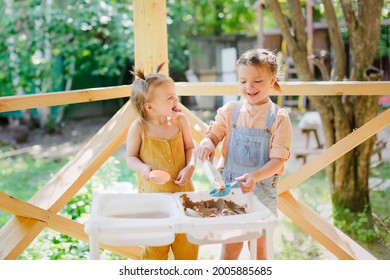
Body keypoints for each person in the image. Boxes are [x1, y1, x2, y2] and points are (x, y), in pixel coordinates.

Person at [196, 49, 292, 260]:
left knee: (259, 249)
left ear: (272, 80)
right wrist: (206, 143)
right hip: (231, 193)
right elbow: (214, 134)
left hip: (261, 193)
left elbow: (277, 161)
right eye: (243, 81)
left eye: (257, 81)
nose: (249, 87)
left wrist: (255, 177)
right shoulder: (231, 111)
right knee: (230, 247)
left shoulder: (279, 118)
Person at [126, 62, 198, 260]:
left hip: (184, 198)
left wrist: (190, 166)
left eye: (174, 94)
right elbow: (131, 157)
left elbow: (190, 148)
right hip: (153, 202)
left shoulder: (181, 121)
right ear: (150, 107)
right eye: (169, 97)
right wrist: (144, 169)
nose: (176, 99)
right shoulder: (139, 127)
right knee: (155, 251)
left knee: (187, 247)